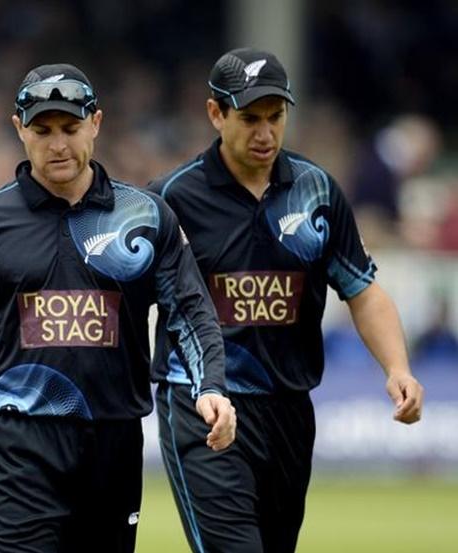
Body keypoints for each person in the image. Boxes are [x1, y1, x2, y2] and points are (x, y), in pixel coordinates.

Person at [0, 62, 236, 553]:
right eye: (42, 130)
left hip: (113, 442)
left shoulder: (146, 217)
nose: (58, 145)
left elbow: (191, 311)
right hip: (18, 443)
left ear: (96, 124)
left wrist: (210, 385)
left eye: (70, 128)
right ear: (19, 129)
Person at [148, 47, 424, 553]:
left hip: (289, 410)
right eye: (250, 119)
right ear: (215, 114)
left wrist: (397, 368)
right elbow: (125, 298)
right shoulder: (171, 199)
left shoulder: (315, 190)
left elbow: (360, 288)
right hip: (203, 405)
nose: (266, 134)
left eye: (276, 118)